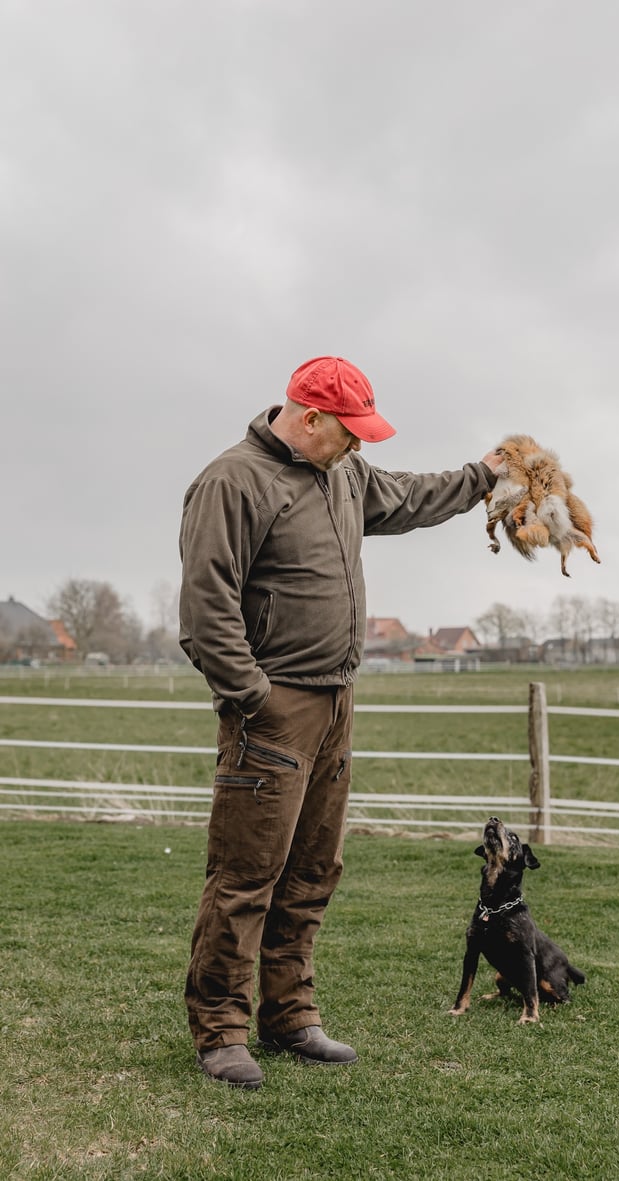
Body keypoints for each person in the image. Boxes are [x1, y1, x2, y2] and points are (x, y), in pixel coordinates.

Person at [178, 355, 503, 1089]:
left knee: (313, 867)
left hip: (335, 701)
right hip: (274, 707)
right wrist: (253, 695)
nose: (359, 446)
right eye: (348, 432)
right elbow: (206, 606)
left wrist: (481, 475)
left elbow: (411, 495)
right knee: (245, 874)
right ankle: (221, 1029)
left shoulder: (344, 473)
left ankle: (290, 1014)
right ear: (310, 417)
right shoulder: (233, 480)